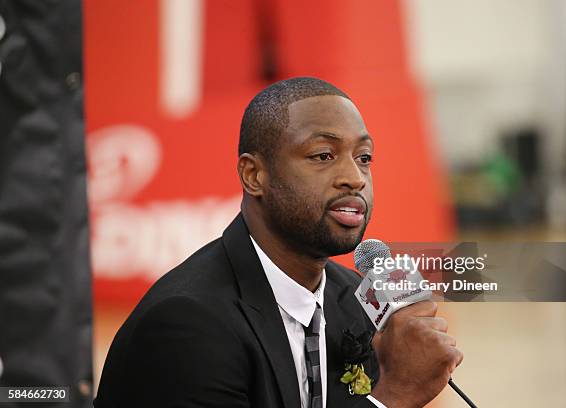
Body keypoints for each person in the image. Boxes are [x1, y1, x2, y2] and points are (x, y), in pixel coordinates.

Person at [94, 77, 463, 408]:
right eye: (323, 156)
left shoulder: (356, 303)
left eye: (363, 158)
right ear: (254, 175)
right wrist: (395, 396)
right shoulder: (187, 325)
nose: (355, 178)